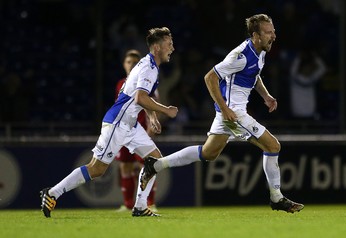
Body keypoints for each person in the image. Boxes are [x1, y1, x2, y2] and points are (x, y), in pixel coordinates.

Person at [140, 14, 304, 213]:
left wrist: (266, 96)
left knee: (208, 153)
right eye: (269, 32)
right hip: (234, 114)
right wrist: (226, 109)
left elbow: (254, 74)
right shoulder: (240, 55)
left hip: (228, 114)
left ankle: (155, 165)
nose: (274, 36)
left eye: (274, 31)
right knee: (273, 145)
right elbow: (210, 78)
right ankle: (276, 198)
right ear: (256, 35)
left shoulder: (260, 51)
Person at [40, 27, 178, 217]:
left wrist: (152, 116)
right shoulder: (148, 67)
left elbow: (139, 96)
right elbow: (140, 97)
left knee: (155, 160)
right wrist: (165, 110)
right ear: (156, 47)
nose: (172, 48)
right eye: (169, 44)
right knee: (96, 169)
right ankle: (53, 192)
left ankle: (139, 206)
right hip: (118, 122)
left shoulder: (150, 65)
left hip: (130, 124)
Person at [114, 49, 158, 212]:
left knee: (148, 166)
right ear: (124, 64)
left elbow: (153, 103)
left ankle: (150, 203)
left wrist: (151, 125)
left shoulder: (147, 81)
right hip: (124, 131)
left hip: (141, 132)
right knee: (125, 167)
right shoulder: (120, 84)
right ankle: (127, 205)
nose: (131, 65)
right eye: (128, 62)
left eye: (134, 62)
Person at [289, 49, 326, 119]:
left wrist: (315, 57)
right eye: (307, 67)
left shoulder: (312, 79)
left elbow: (322, 69)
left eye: (310, 68)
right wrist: (299, 58)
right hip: (297, 116)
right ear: (302, 68)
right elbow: (293, 69)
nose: (309, 69)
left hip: (310, 116)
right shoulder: (295, 78)